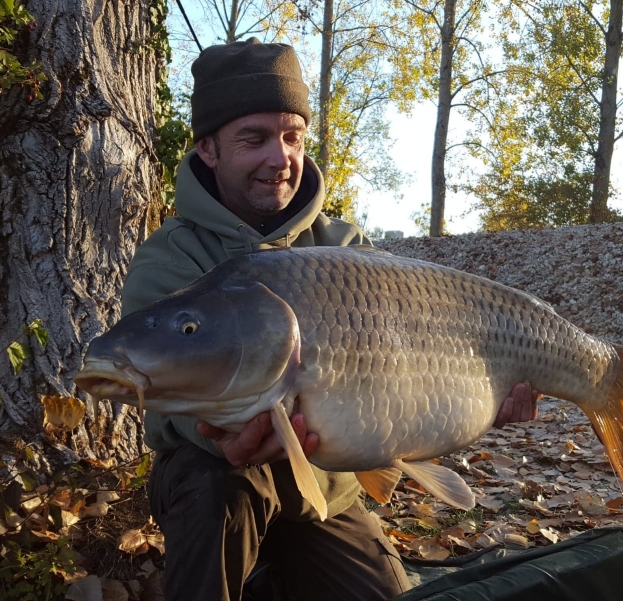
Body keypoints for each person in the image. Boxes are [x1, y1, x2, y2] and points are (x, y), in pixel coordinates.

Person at [120, 38, 540, 601]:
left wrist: (484, 400)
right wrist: (214, 435)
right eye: (255, 139)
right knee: (213, 484)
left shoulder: (345, 247)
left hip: (328, 489)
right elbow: (155, 405)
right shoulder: (171, 257)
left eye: (292, 136)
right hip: (218, 484)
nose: (280, 157)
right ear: (210, 150)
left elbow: (410, 380)